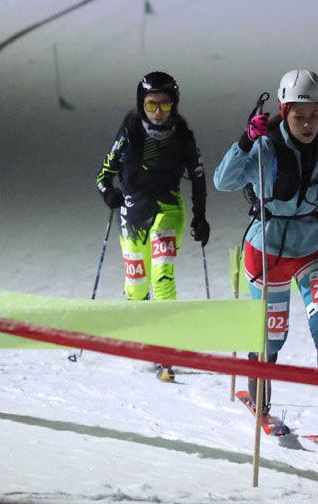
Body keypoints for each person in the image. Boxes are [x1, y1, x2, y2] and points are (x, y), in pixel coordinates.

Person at [214, 69, 318, 453]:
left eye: (314, 115)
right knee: (273, 336)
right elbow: (223, 181)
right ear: (284, 111)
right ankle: (260, 390)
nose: (308, 124)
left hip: (312, 247)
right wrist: (245, 139)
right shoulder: (266, 145)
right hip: (268, 249)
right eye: (298, 116)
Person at [95, 71, 210, 381]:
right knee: (136, 286)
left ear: (175, 104)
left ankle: (165, 350)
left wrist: (200, 216)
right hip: (133, 211)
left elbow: (198, 177)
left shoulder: (183, 135)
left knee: (162, 275)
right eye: (151, 105)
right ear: (141, 104)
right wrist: (109, 193)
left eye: (165, 105)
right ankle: (141, 338)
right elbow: (104, 174)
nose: (158, 113)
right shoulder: (131, 131)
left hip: (168, 208)